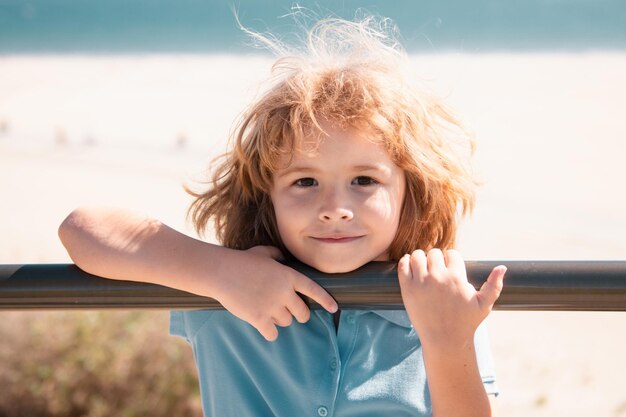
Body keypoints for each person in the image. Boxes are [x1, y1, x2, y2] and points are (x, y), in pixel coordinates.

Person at [59, 16, 506, 417]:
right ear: (264, 197)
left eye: (365, 181)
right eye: (305, 182)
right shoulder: (224, 293)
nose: (334, 209)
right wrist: (218, 272)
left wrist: (448, 343)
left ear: (412, 191)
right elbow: (83, 229)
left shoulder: (442, 304)